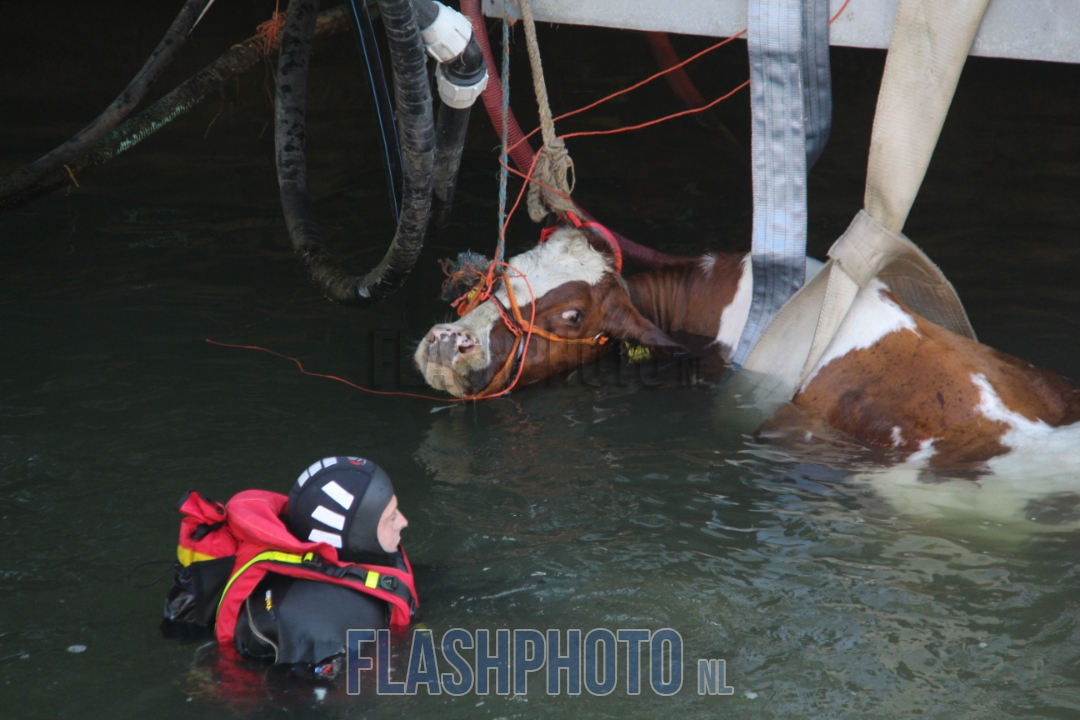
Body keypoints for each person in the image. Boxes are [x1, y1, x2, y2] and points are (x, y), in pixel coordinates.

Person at [163, 457, 418, 670]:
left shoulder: (361, 555)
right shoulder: (316, 628)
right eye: (392, 517)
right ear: (359, 533)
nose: (405, 521)